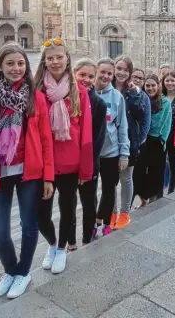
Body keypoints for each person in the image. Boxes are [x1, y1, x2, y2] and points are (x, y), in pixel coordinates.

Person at [0, 43, 54, 299]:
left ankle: (23, 273)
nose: (16, 68)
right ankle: (11, 270)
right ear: (0, 66)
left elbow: (46, 139)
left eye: (20, 64)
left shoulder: (36, 98)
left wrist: (49, 176)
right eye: (10, 63)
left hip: (30, 171)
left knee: (29, 224)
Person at [34, 39, 93, 275]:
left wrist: (86, 169)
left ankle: (61, 249)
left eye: (59, 57)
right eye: (50, 58)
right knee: (41, 214)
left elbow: (86, 131)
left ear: (67, 59)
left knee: (68, 210)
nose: (55, 61)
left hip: (71, 163)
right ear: (44, 62)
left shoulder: (78, 92)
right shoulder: (37, 90)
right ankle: (51, 243)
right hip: (43, 165)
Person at [111, 55, 150, 229]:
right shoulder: (106, 87)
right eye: (118, 68)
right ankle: (111, 212)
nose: (121, 72)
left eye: (126, 70)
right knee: (110, 180)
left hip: (128, 141)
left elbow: (140, 115)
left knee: (126, 178)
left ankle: (125, 213)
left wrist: (134, 94)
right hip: (109, 142)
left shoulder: (136, 92)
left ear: (130, 72)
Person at [72, 58, 107, 247]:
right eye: (82, 75)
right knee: (68, 205)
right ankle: (70, 243)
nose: (86, 79)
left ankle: (87, 238)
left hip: (89, 163)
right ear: (74, 74)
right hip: (67, 163)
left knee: (88, 203)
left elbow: (97, 141)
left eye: (90, 76)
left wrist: (86, 168)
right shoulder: (64, 98)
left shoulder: (99, 104)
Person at [94, 57, 130, 237]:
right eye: (103, 72)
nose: (106, 76)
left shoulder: (116, 97)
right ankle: (92, 222)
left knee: (109, 189)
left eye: (110, 73)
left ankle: (105, 221)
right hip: (91, 153)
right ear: (96, 71)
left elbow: (122, 126)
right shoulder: (87, 93)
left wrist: (124, 154)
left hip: (111, 151)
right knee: (90, 192)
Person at [133, 74, 171, 205]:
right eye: (148, 85)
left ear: (158, 86)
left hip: (157, 141)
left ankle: (154, 198)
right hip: (144, 139)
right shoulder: (141, 99)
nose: (150, 88)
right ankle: (143, 197)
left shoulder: (164, 101)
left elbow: (167, 122)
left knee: (156, 171)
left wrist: (162, 139)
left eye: (153, 85)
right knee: (140, 170)